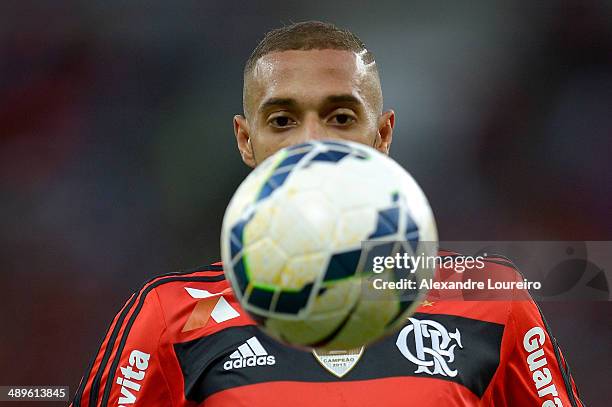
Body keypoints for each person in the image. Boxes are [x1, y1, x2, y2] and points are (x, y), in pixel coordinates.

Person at [71, 21, 583, 407]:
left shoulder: (492, 302)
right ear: (246, 142)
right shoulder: (170, 316)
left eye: (340, 117)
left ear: (381, 136)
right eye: (282, 119)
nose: (312, 143)